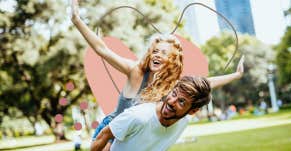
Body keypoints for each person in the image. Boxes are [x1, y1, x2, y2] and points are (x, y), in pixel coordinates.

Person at [71, 0, 244, 148]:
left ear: (172, 60)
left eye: (164, 53)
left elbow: (206, 83)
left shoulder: (173, 84)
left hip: (137, 134)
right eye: (155, 51)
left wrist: (235, 76)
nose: (157, 55)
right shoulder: (135, 71)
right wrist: (77, 20)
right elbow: (102, 49)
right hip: (112, 130)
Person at [91, 76, 211, 151]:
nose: (171, 102)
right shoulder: (139, 116)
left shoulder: (183, 122)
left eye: (181, 101)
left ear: (193, 111)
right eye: (174, 94)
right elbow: (103, 135)